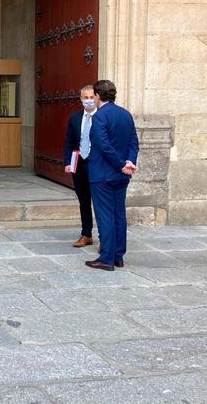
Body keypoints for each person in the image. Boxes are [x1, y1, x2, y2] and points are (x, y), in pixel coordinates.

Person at [85, 80, 139, 271]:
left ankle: (106, 258)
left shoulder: (100, 116)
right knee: (119, 215)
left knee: (105, 216)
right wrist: (129, 163)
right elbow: (134, 142)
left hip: (103, 174)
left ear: (98, 95)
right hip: (121, 174)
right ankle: (118, 256)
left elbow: (103, 145)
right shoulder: (125, 114)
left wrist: (120, 165)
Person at [64, 85, 97, 248]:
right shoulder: (75, 118)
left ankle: (105, 237)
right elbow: (69, 141)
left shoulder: (102, 117)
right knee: (83, 201)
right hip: (79, 163)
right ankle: (86, 234)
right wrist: (67, 163)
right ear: (80, 99)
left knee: (99, 202)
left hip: (97, 165)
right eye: (85, 97)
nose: (89, 100)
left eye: (91, 97)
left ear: (97, 98)